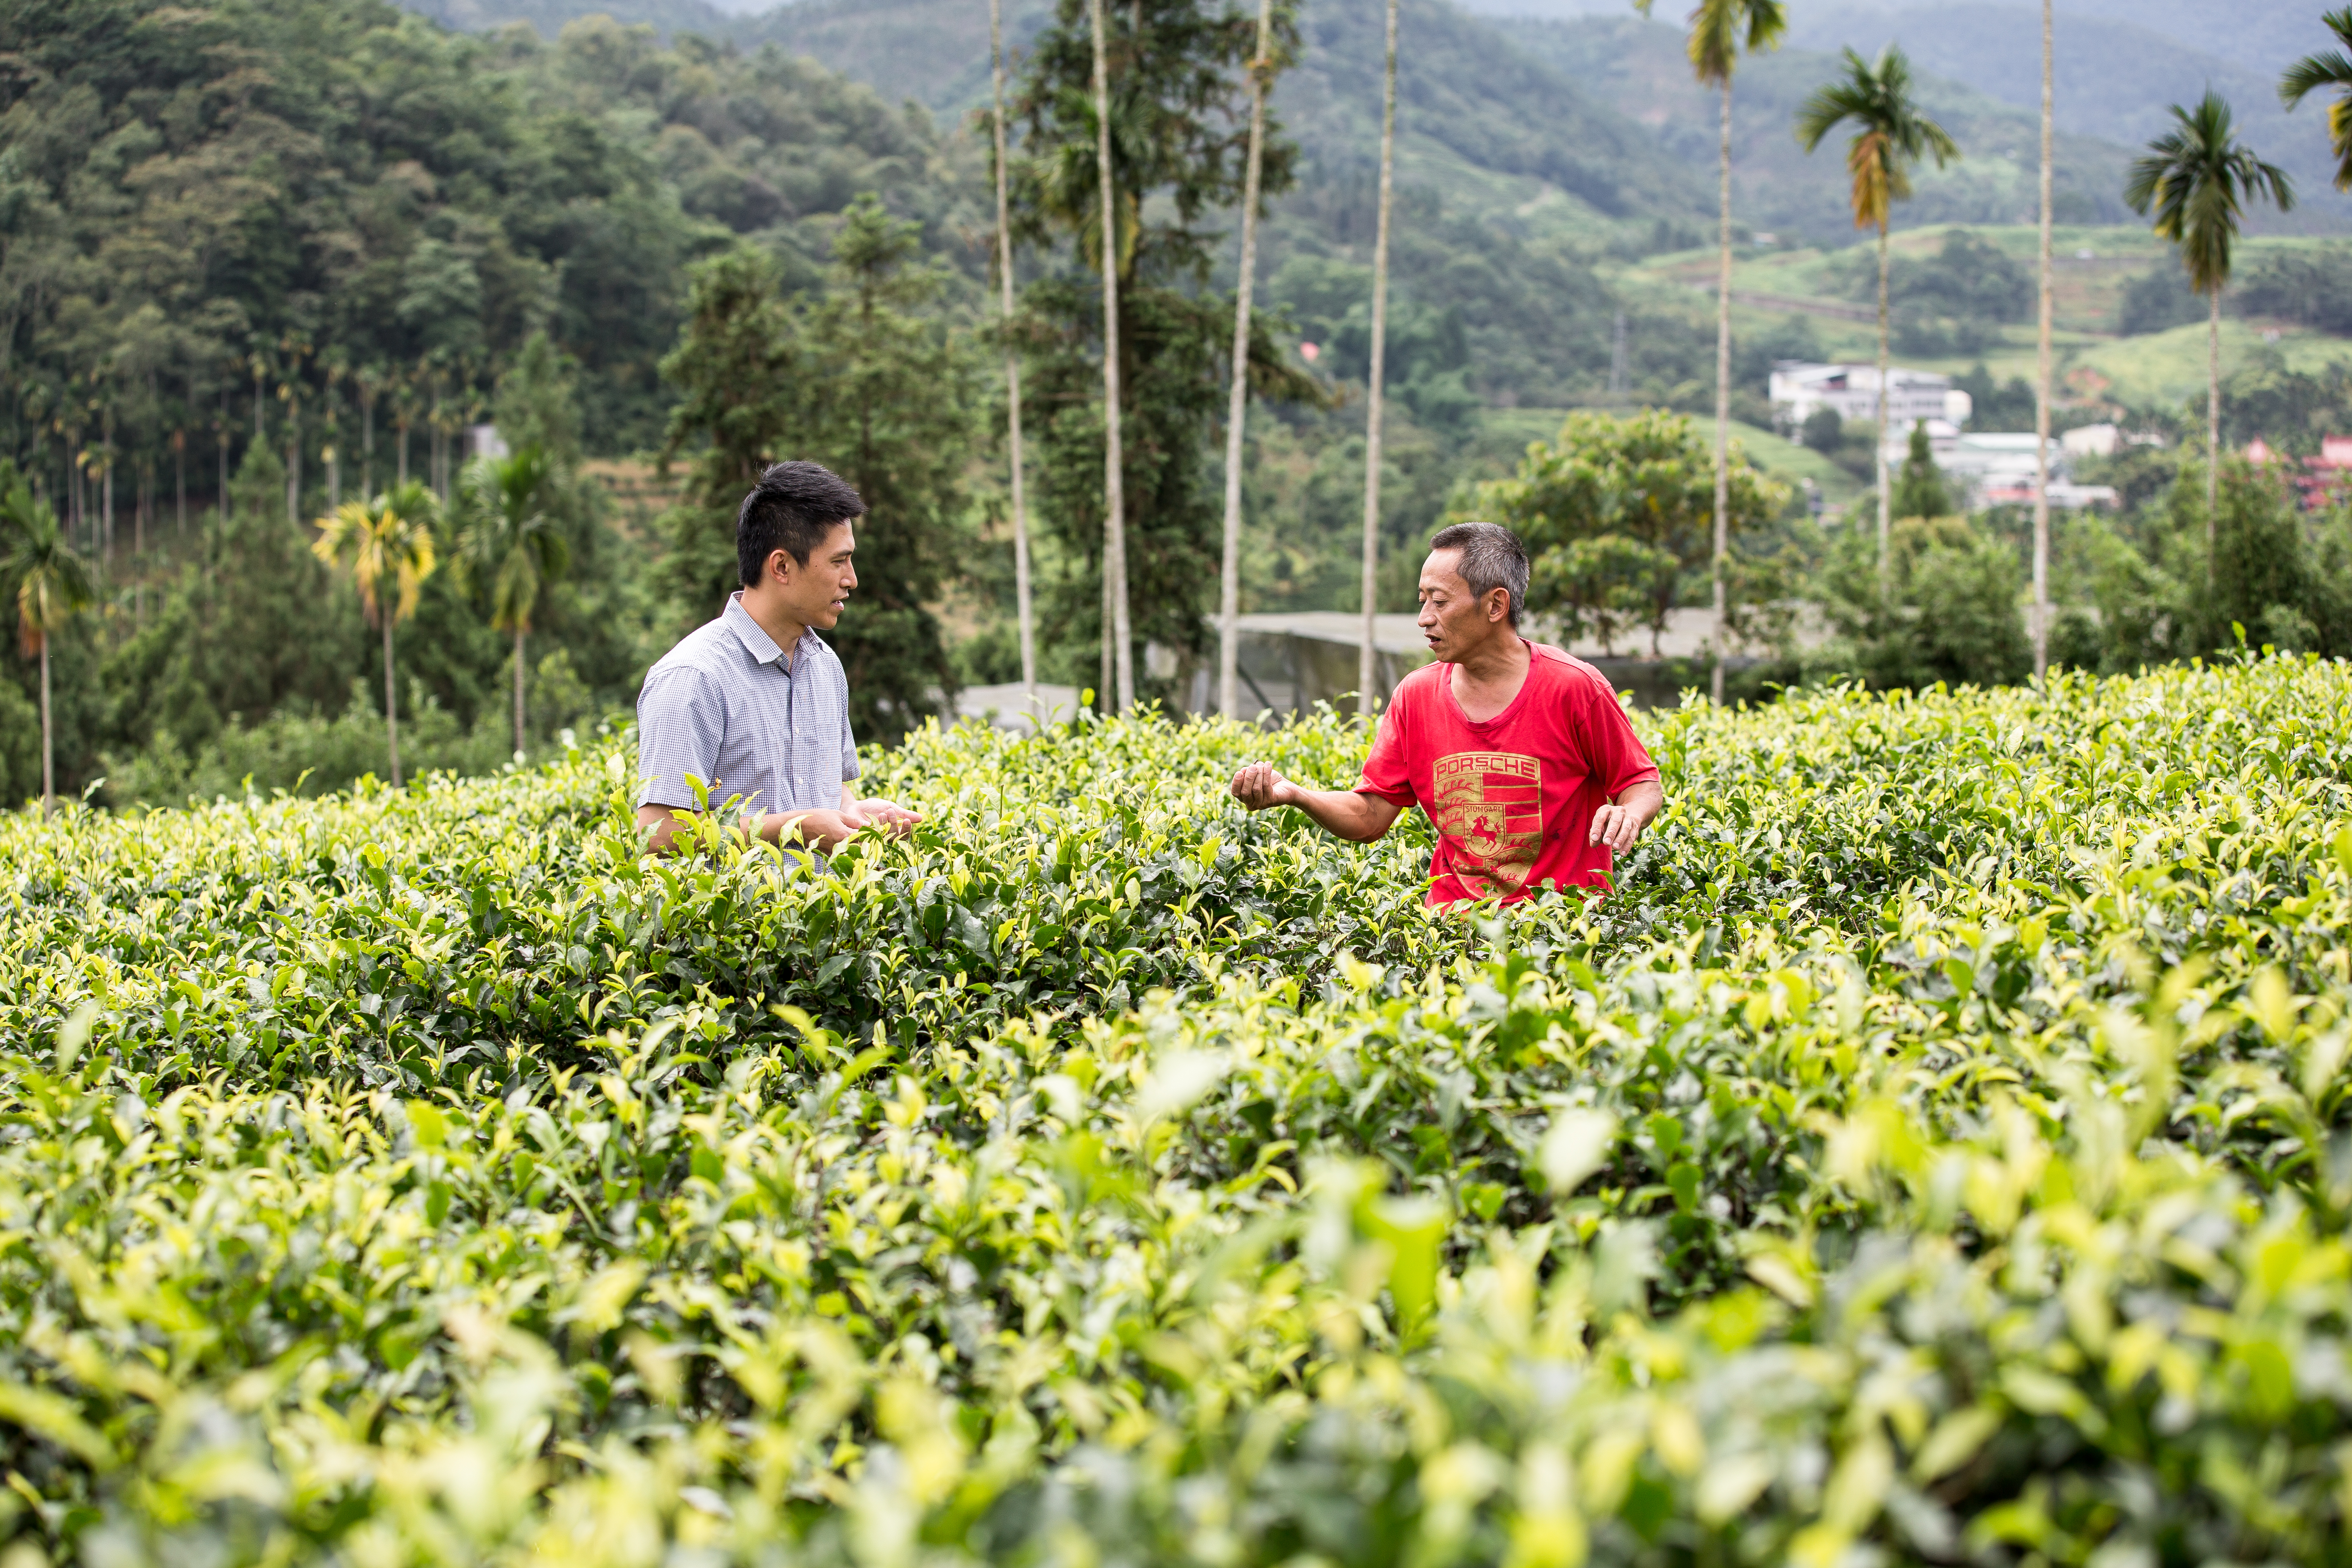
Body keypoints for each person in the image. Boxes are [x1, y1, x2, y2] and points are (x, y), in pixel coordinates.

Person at [1229, 521, 1664, 904]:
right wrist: (1296, 795)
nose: (1423, 619)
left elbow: (1641, 782)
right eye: (1422, 601)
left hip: (1559, 930)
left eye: (1439, 602)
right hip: (1453, 933)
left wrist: (1629, 813)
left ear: (1496, 606)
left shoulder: (1574, 687)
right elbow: (1370, 815)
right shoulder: (1415, 697)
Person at [635, 460, 920, 855]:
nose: (852, 579)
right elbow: (660, 834)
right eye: (839, 561)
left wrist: (855, 813)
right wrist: (790, 828)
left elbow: (828, 790)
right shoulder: (693, 677)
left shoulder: (825, 667)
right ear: (782, 566)